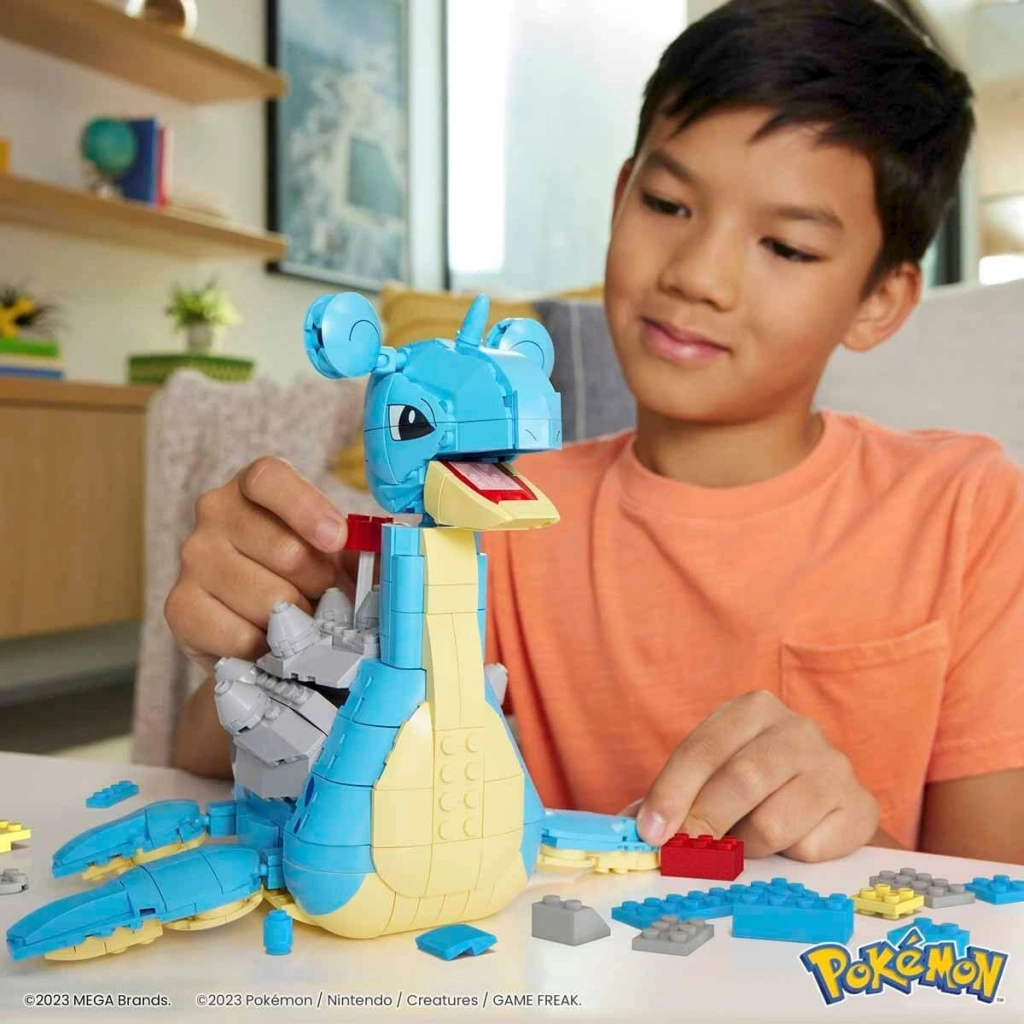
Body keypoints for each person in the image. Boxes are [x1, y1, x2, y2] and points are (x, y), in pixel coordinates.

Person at [166, 0, 1024, 864]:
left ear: (880, 300)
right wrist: (261, 639)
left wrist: (856, 836)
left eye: (787, 247)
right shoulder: (489, 509)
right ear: (619, 197)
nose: (698, 275)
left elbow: (1001, 890)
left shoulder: (968, 514)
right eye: (668, 204)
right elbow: (210, 756)